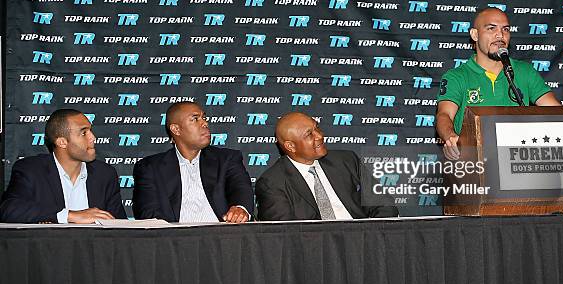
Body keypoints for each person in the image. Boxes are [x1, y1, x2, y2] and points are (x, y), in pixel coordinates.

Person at [436, 7, 561, 160]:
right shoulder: (457, 76)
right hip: (474, 163)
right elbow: (444, 115)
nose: (500, 35)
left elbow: (556, 112)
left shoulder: (525, 71)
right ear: (475, 34)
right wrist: (450, 137)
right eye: (491, 28)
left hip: (519, 161)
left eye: (505, 29)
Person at [255, 112, 398, 221]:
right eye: (309, 134)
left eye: (317, 128)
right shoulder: (272, 183)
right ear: (290, 146)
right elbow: (285, 235)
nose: (319, 136)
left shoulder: (346, 160)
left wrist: (373, 237)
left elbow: (383, 204)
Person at [132, 102, 253, 223]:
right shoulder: (150, 168)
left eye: (204, 118)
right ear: (176, 129)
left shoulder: (227, 159)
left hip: (221, 238)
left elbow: (240, 188)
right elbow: (147, 213)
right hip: (173, 239)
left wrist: (240, 209)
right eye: (195, 119)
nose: (205, 123)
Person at [0, 109, 126, 223]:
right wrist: (69, 216)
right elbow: (9, 210)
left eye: (90, 131)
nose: (93, 138)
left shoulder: (105, 174)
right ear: (62, 142)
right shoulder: (32, 170)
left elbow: (120, 226)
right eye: (84, 133)